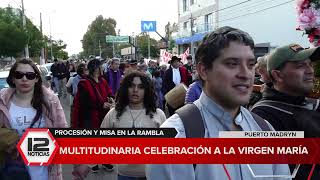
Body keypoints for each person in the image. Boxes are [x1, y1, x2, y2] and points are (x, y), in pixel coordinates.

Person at [146, 26, 290, 179]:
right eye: (232, 64)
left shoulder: (266, 131)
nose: (246, 74)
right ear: (203, 70)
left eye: (250, 65)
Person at [251, 44, 320, 179]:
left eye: (310, 64)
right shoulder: (264, 115)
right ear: (277, 75)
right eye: (300, 66)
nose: (310, 70)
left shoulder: (313, 104)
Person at [0, 58, 67, 180]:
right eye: (19, 75)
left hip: (46, 173)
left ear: (36, 79)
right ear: (13, 78)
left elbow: (63, 133)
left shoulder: (50, 101)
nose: (24, 79)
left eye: (30, 75)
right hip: (11, 171)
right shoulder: (2, 101)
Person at [101, 71, 166, 180]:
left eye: (140, 87)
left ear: (146, 90)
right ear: (126, 89)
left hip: (151, 175)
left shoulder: (158, 114)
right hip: (123, 174)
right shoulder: (114, 113)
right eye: (131, 86)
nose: (135, 90)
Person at [72, 58, 113, 129]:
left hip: (104, 115)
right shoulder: (84, 83)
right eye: (100, 66)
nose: (102, 68)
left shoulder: (102, 81)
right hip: (90, 119)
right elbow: (84, 103)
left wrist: (111, 98)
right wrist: (101, 105)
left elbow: (109, 92)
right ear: (96, 69)